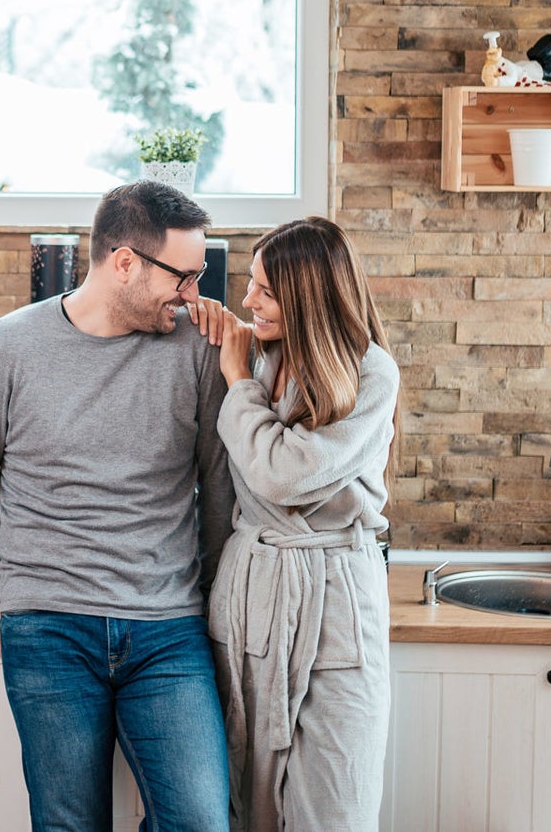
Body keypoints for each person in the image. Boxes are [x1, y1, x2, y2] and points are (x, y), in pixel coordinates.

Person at [0, 180, 237, 832]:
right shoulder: (6, 349)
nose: (194, 293)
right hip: (47, 626)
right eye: (184, 276)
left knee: (200, 821)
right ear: (125, 262)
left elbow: (218, 486)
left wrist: (210, 600)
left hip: (166, 631)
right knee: (69, 824)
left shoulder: (197, 348)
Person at [186, 216, 398, 832]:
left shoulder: (370, 371)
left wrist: (234, 381)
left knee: (336, 803)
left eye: (265, 292)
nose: (248, 302)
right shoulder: (264, 358)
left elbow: (283, 473)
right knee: (244, 800)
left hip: (334, 598)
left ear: (311, 296)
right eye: (250, 285)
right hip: (252, 593)